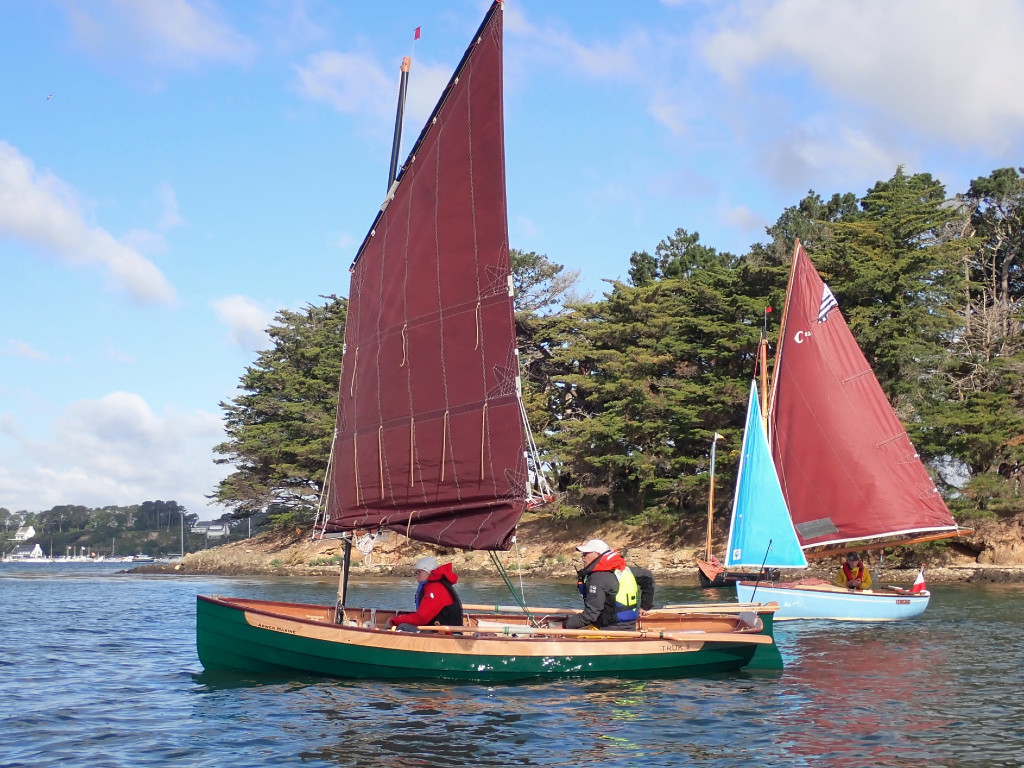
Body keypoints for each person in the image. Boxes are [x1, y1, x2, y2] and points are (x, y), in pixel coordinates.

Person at [564, 539, 655, 631]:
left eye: (585, 554)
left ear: (597, 554)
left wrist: (564, 626)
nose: (583, 557)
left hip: (607, 631)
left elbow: (590, 616)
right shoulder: (624, 570)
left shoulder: (597, 578)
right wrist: (645, 606)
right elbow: (648, 577)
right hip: (629, 628)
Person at [388, 556, 464, 631]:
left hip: (445, 633)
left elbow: (422, 618)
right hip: (439, 629)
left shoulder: (436, 589)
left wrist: (394, 620)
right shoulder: (435, 585)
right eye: (415, 573)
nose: (416, 576)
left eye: (418, 572)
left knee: (403, 627)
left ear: (428, 571)